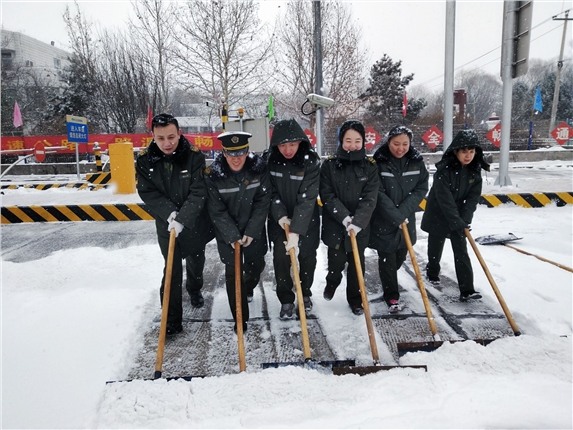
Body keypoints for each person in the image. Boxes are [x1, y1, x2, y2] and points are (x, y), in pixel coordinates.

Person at [135, 113, 214, 336]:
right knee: (171, 269)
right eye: (160, 138)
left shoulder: (194, 156)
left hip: (194, 221)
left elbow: (199, 191)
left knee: (196, 262)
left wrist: (183, 218)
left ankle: (195, 288)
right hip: (166, 223)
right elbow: (147, 191)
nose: (167, 143)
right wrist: (169, 214)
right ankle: (171, 319)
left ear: (179, 133)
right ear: (152, 136)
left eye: (171, 136)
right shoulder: (144, 159)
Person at [205, 131, 271, 332]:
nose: (236, 158)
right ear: (224, 153)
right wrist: (232, 236)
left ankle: (249, 286)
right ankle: (240, 318)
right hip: (228, 234)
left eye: (241, 152)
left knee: (256, 265)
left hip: (254, 230)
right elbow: (216, 210)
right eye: (231, 153)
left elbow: (263, 201)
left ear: (247, 151)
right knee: (233, 274)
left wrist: (251, 230)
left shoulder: (258, 171)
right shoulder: (213, 176)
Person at [421, 129, 491, 301]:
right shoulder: (443, 171)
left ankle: (467, 289)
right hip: (438, 213)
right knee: (435, 246)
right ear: (456, 152)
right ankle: (432, 272)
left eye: (472, 152)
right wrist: (457, 220)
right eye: (464, 152)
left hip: (459, 217)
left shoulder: (475, 171)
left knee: (461, 251)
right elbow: (445, 200)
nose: (468, 156)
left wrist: (464, 220)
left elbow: (472, 199)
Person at [319, 120, 379, 315]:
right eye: (348, 140)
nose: (352, 145)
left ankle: (355, 299)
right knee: (336, 261)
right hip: (336, 223)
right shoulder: (329, 165)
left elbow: (370, 197)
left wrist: (358, 222)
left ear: (363, 142)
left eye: (357, 140)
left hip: (360, 226)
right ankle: (332, 281)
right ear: (341, 141)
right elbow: (327, 195)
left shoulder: (370, 167)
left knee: (356, 265)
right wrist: (345, 218)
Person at [265, 119, 321, 319]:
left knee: (307, 257)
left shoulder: (311, 162)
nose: (287, 150)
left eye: (292, 144)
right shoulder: (270, 161)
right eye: (282, 145)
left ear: (300, 142)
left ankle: (304, 293)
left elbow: (307, 198)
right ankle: (286, 299)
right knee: (281, 257)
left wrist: (296, 230)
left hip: (307, 219)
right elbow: (270, 193)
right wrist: (281, 216)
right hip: (278, 219)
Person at [369, 125, 429, 313]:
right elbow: (376, 191)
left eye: (405, 144)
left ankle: (389, 279)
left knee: (401, 255)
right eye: (396, 144)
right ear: (389, 142)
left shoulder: (416, 162)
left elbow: (421, 187)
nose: (400, 148)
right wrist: (394, 214)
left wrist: (403, 210)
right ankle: (392, 296)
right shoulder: (379, 162)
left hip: (406, 219)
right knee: (387, 257)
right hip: (384, 219)